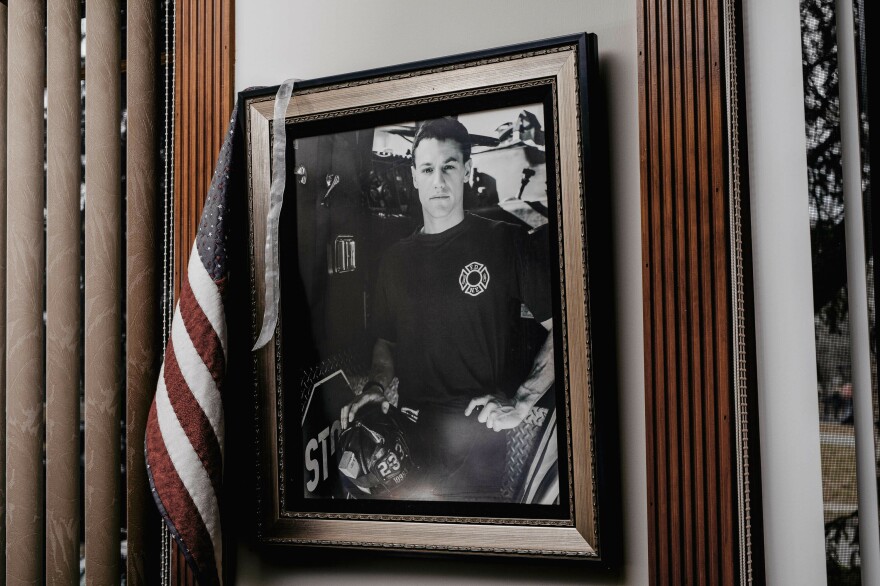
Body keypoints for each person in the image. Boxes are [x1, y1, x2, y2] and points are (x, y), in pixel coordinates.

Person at [340, 116, 554, 501]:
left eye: (449, 167)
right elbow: (386, 343)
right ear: (415, 176)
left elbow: (569, 329)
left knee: (466, 552)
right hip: (408, 433)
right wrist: (374, 386)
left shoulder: (505, 242)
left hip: (476, 437)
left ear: (467, 171)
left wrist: (521, 403)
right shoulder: (395, 260)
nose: (438, 180)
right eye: (427, 169)